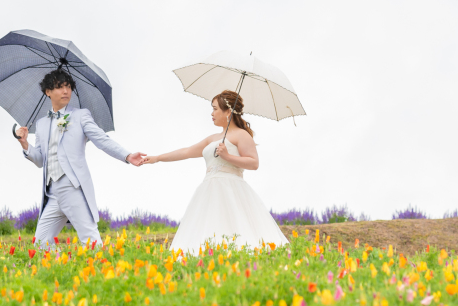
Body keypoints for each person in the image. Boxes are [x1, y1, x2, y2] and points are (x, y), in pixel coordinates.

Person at [144, 90, 289, 252]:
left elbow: (254, 163)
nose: (212, 113)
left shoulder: (242, 135)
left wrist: (227, 156)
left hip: (231, 189)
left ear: (228, 111)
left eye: (215, 109)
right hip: (209, 190)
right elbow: (187, 151)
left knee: (234, 228)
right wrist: (157, 158)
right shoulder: (212, 138)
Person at [15, 69, 146, 246]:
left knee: (90, 240)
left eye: (68, 87)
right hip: (51, 193)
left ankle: (106, 272)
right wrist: (24, 142)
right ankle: (63, 270)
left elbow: (101, 139)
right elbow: (40, 161)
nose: (65, 91)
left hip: (72, 187)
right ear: (48, 91)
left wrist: (127, 155)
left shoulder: (80, 115)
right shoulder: (41, 124)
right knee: (40, 244)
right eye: (60, 87)